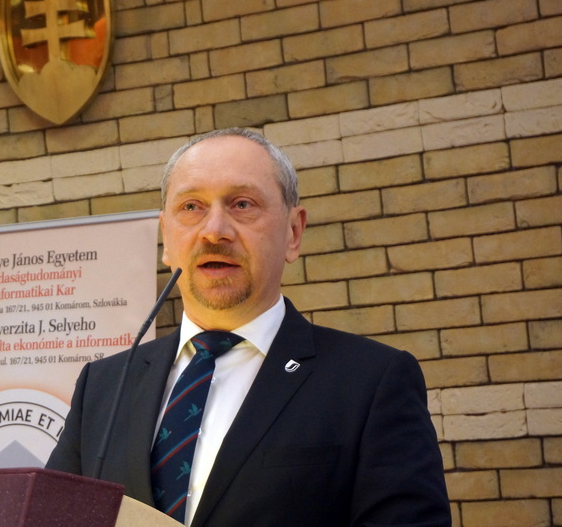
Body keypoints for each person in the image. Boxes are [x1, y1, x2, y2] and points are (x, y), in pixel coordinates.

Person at [45, 128, 451, 526]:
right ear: (166, 237)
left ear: (293, 232)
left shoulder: (373, 382)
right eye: (191, 207)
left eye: (242, 204)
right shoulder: (103, 386)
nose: (214, 231)